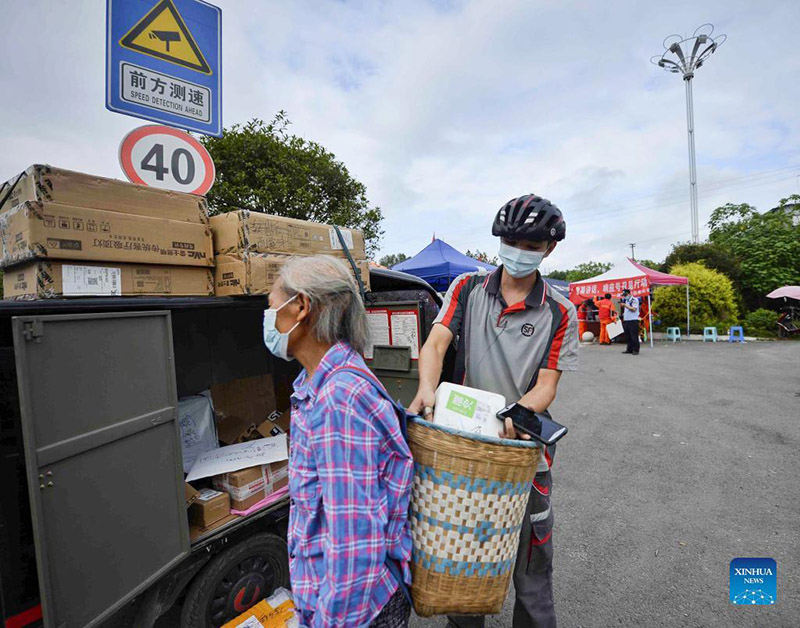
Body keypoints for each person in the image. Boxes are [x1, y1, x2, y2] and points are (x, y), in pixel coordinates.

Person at [409, 194, 579, 628]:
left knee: (531, 565)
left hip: (522, 451)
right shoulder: (466, 288)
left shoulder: (561, 310)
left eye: (531, 244)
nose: (519, 251)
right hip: (464, 447)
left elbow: (547, 385)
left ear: (549, 249)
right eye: (511, 240)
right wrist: (427, 387)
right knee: (466, 553)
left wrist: (516, 413)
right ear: (499, 241)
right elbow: (436, 341)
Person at [263, 255, 414, 628]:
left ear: (300, 307)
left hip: (358, 612)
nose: (268, 320)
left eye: (271, 307)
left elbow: (355, 543)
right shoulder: (322, 383)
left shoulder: (339, 398)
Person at [620, 288, 640, 355]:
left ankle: (635, 350)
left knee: (633, 336)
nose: (625, 296)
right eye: (624, 295)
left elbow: (634, 309)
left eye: (626, 295)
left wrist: (625, 305)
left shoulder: (634, 300)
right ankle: (629, 349)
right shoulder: (626, 300)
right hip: (626, 320)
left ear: (629, 294)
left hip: (633, 320)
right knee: (627, 336)